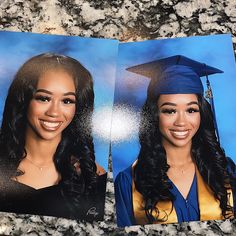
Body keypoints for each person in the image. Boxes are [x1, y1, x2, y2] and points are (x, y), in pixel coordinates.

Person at [115, 55, 236, 227]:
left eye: (191, 110)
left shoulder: (225, 171)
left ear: (202, 113)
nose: (181, 122)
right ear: (154, 116)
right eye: (170, 111)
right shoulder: (129, 181)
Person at [0, 53, 106, 221]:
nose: (54, 112)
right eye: (44, 98)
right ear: (23, 100)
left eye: (67, 101)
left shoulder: (92, 175)